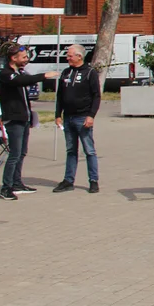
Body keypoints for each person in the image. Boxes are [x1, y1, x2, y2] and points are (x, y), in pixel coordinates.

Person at [0, 43, 58, 200]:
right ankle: (6, 188)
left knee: (22, 153)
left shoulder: (20, 72)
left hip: (24, 118)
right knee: (14, 154)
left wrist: (30, 117)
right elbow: (21, 81)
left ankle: (17, 183)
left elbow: (24, 91)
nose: (26, 60)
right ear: (13, 58)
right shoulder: (6, 74)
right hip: (14, 119)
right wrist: (44, 76)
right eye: (23, 57)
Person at [52, 44, 101, 194]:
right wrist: (57, 114)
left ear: (79, 56)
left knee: (89, 150)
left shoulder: (90, 73)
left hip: (83, 117)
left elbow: (96, 96)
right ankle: (68, 180)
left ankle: (93, 181)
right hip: (68, 117)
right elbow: (60, 95)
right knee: (71, 150)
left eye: (70, 55)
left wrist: (91, 116)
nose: (67, 58)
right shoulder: (66, 73)